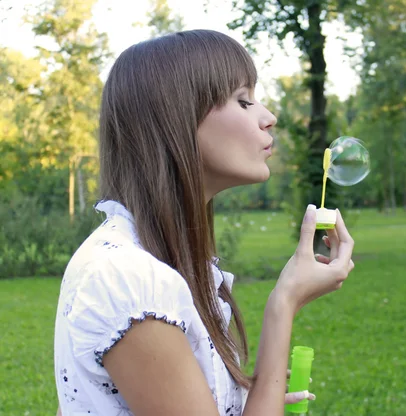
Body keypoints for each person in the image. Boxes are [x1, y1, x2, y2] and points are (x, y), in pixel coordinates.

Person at [53, 29, 355, 416]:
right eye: (243, 101)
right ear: (174, 119)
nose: (269, 117)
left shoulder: (157, 264)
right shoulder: (128, 280)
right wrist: (285, 302)